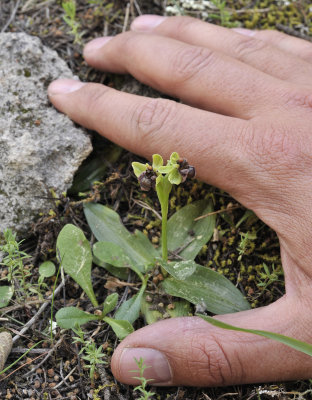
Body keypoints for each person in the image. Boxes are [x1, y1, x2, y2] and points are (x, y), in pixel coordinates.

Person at [48, 15, 312, 386]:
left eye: (167, 168)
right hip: (158, 205)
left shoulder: (172, 173)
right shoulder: (156, 175)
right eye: (162, 167)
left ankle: (169, 264)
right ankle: (159, 264)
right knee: (153, 204)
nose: (165, 169)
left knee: (169, 204)